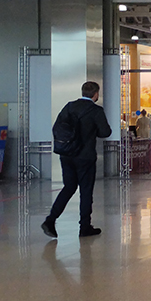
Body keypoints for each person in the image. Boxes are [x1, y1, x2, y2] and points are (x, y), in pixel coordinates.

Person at [41, 81, 112, 239]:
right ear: (96, 94)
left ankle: (50, 220)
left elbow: (58, 127)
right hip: (85, 156)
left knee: (69, 187)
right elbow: (105, 132)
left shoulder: (69, 106)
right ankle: (84, 227)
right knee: (86, 191)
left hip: (67, 155)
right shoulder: (96, 110)